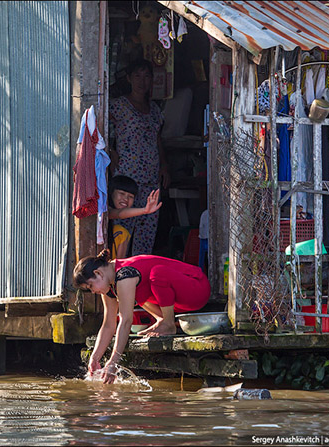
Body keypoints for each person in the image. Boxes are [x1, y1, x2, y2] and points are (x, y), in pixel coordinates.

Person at [73, 249, 210, 384]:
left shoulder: (124, 274)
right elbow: (109, 324)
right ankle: (162, 320)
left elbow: (126, 320)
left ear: (98, 273)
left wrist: (113, 362)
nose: (93, 291)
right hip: (178, 300)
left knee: (158, 273)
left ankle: (168, 324)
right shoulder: (110, 285)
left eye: (91, 286)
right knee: (136, 292)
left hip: (197, 289)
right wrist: (95, 358)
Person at [109, 59, 170, 256]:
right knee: (123, 228)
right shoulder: (118, 106)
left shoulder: (154, 110)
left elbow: (157, 138)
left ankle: (139, 274)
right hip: (128, 176)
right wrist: (110, 151)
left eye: (146, 76)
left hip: (151, 177)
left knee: (147, 228)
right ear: (129, 78)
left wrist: (164, 166)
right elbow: (98, 126)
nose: (142, 81)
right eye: (137, 76)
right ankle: (119, 273)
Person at [107, 175, 162, 259]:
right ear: (111, 193)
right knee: (121, 232)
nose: (126, 199)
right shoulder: (105, 208)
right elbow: (118, 213)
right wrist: (144, 210)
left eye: (130, 197)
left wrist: (145, 210)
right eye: (122, 193)